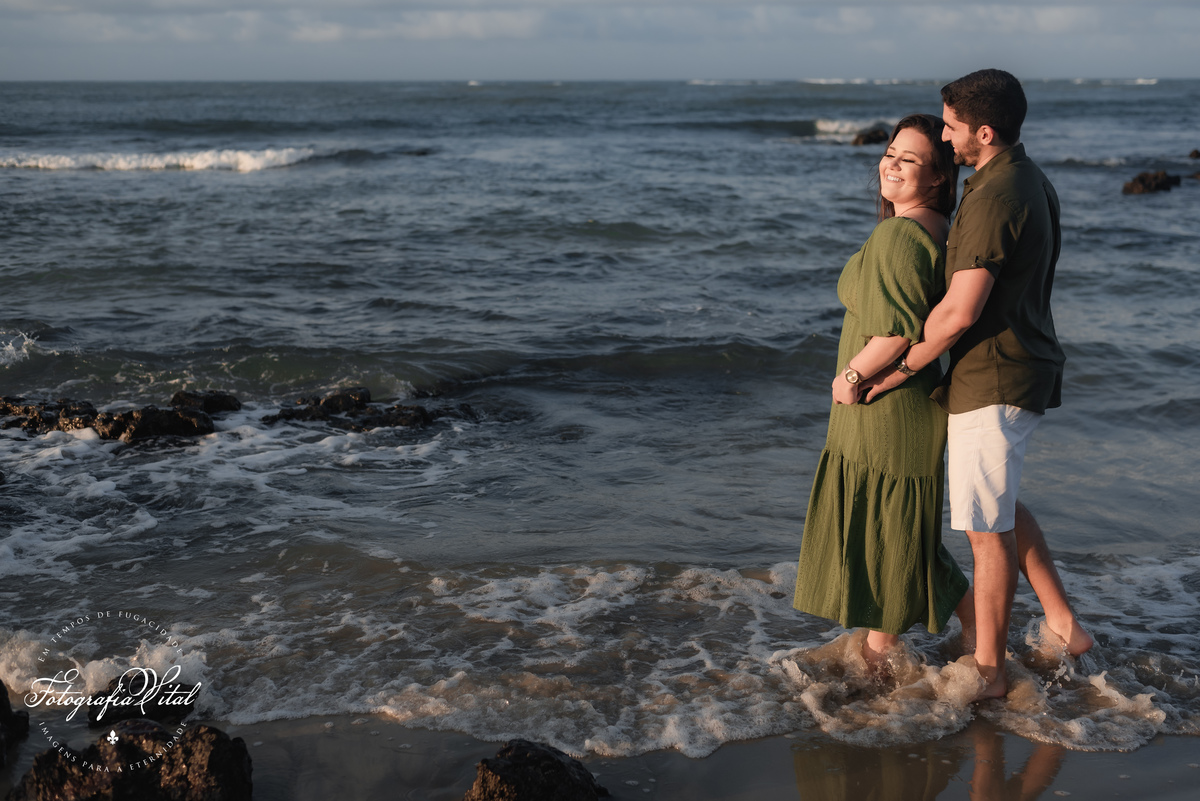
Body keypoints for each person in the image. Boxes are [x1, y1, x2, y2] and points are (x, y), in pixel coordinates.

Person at [862, 69, 1093, 698]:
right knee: (999, 506)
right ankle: (1066, 626)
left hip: (994, 375)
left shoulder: (992, 198)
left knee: (984, 530)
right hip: (1018, 366)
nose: (944, 135)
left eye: (951, 126)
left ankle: (989, 669)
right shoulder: (1025, 178)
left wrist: (895, 371)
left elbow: (958, 311)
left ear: (983, 132)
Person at [793, 113, 969, 669]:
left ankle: (882, 666)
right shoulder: (938, 229)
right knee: (903, 531)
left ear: (938, 177)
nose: (890, 163)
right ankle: (980, 635)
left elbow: (896, 331)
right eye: (890, 152)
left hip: (884, 402)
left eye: (908, 158)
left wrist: (848, 379)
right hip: (905, 401)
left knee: (888, 528)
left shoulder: (899, 235)